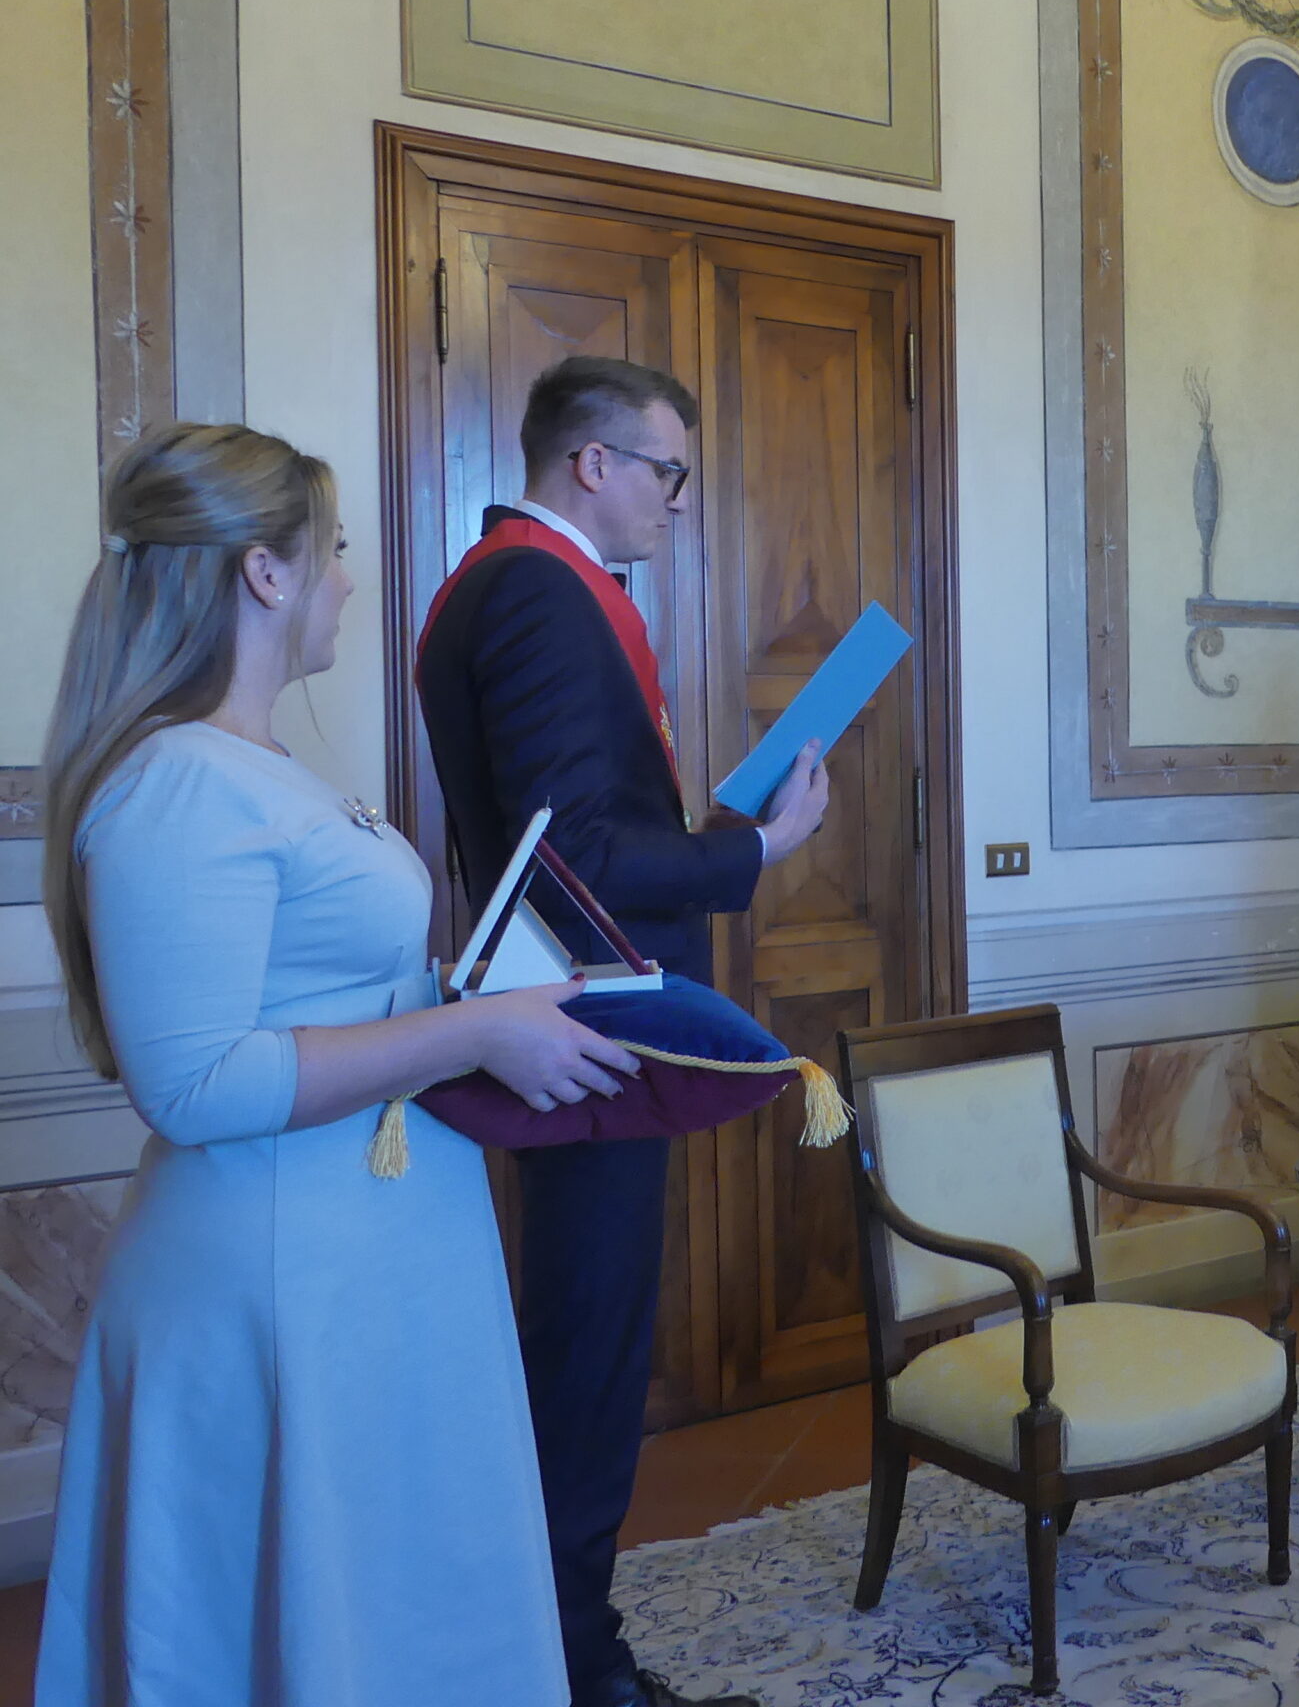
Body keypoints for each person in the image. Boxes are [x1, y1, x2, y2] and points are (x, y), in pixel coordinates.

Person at [36, 423, 641, 1705]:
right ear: (265, 573)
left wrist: (468, 993)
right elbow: (196, 1086)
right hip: (276, 1275)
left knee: (381, 1607)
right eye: (336, 551)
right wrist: (472, 1032)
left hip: (355, 1262)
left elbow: (320, 996)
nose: (350, 581)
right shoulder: (176, 784)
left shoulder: (251, 763)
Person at [416, 357, 828, 1707]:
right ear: (591, 463)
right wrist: (754, 849)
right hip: (583, 1027)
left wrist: (714, 832)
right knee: (585, 1367)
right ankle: (575, 1673)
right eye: (667, 471)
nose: (678, 500)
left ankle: (558, 1653)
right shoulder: (535, 591)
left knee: (583, 1354)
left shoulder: (523, 581)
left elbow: (572, 833)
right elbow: (572, 859)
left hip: (573, 1013)